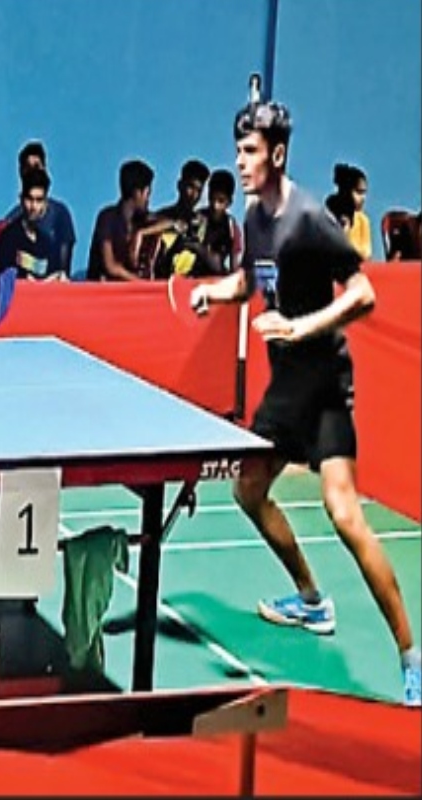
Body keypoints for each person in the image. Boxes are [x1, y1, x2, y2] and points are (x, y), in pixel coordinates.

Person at [190, 99, 419, 707]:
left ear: (278, 153)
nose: (241, 162)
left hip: (323, 385)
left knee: (344, 515)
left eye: (251, 152)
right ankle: (312, 600)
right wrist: (216, 292)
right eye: (238, 150)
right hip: (286, 389)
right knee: (248, 491)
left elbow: (364, 294)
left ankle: (411, 657)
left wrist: (301, 326)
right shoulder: (254, 217)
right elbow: (253, 279)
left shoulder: (310, 219)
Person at [0, 167, 64, 280]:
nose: (33, 206)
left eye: (39, 200)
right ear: (21, 199)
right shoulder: (8, 237)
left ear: (45, 203)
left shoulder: (47, 242)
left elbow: (56, 275)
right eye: (29, 199)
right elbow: (4, 280)